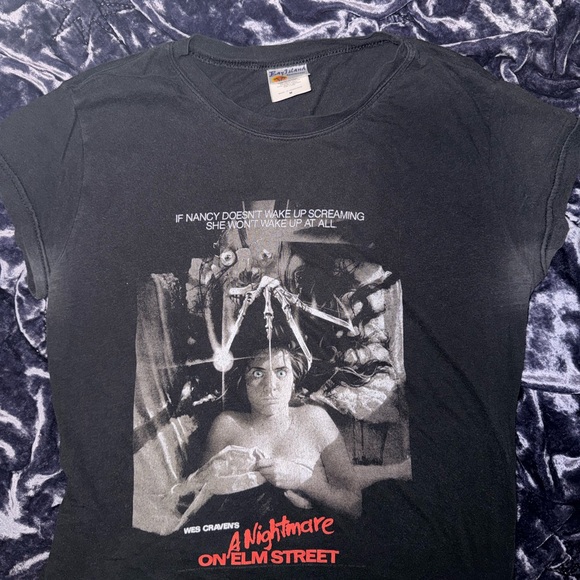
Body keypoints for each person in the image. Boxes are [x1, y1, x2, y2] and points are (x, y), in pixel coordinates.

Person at [190, 346, 362, 521]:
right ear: (244, 382)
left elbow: (354, 505)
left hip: (306, 533)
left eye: (281, 373)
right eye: (258, 373)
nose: (270, 386)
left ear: (293, 381)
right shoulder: (227, 425)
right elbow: (197, 499)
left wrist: (302, 479)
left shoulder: (315, 419)